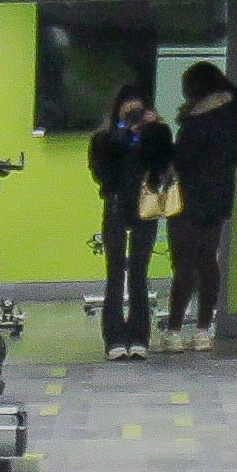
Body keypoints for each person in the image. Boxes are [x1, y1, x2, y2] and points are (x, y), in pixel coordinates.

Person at [162, 59, 237, 350]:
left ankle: (174, 330)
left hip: (189, 196)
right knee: (208, 260)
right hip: (219, 196)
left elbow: (184, 159)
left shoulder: (197, 119)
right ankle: (203, 329)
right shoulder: (233, 114)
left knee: (184, 262)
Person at [86, 83, 172, 361]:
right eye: (128, 109)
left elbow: (163, 164)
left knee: (138, 273)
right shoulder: (105, 137)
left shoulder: (155, 133)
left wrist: (151, 131)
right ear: (118, 110)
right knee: (115, 273)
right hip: (116, 206)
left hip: (145, 208)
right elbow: (101, 170)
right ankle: (114, 337)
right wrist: (123, 133)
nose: (134, 114)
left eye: (138, 109)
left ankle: (139, 337)